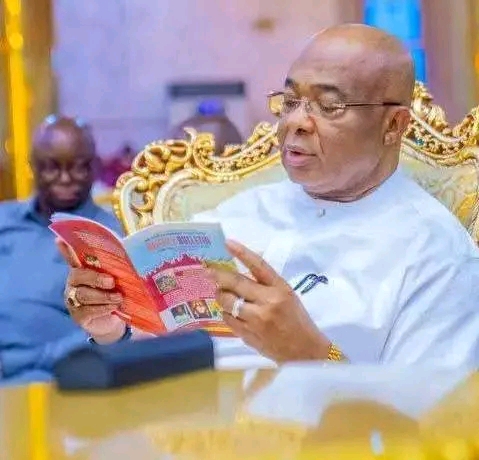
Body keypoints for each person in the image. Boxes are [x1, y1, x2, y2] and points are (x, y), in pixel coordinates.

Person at [60, 24, 479, 368]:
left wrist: (312, 354)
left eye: (329, 106)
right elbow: (155, 350)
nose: (296, 122)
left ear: (393, 126)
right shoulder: (236, 213)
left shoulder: (436, 255)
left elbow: (422, 423)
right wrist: (111, 326)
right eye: (291, 100)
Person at [0, 115, 122, 381]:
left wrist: (16, 362)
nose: (65, 178)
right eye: (51, 168)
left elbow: (114, 330)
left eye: (78, 168)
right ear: (32, 167)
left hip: (51, 377)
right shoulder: (4, 219)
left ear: (94, 167)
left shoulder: (110, 236)